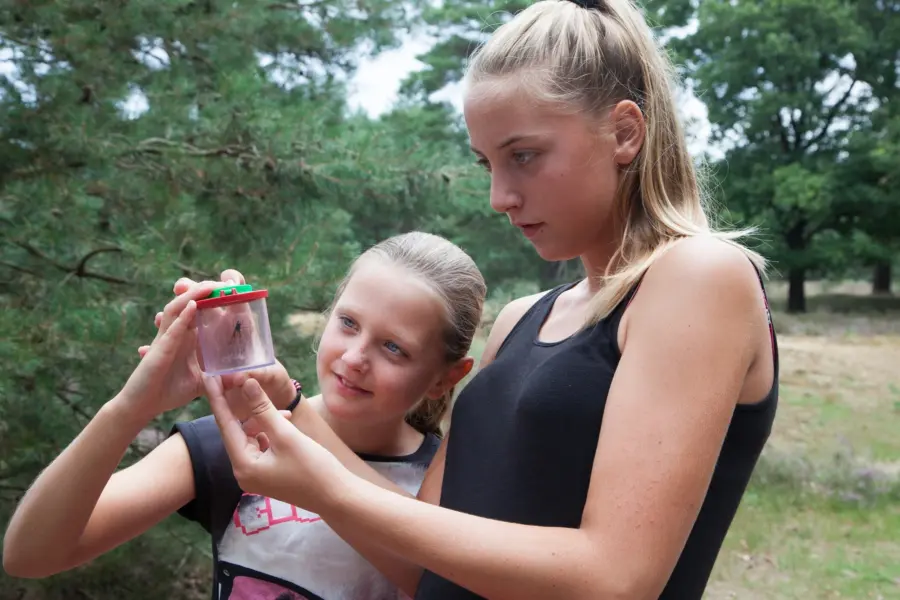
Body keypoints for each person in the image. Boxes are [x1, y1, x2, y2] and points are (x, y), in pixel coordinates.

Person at [199, 1, 780, 599]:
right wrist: (285, 407)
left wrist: (324, 487)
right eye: (487, 163)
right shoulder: (522, 319)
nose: (500, 196)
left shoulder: (699, 275)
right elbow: (421, 559)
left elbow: (615, 577)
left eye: (523, 156)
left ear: (625, 133)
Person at [2, 232, 487, 600]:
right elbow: (31, 555)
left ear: (447, 377)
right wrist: (132, 406)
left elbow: (440, 583)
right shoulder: (238, 442)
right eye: (348, 323)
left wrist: (290, 408)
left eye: (394, 347)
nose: (355, 357)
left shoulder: (448, 487)